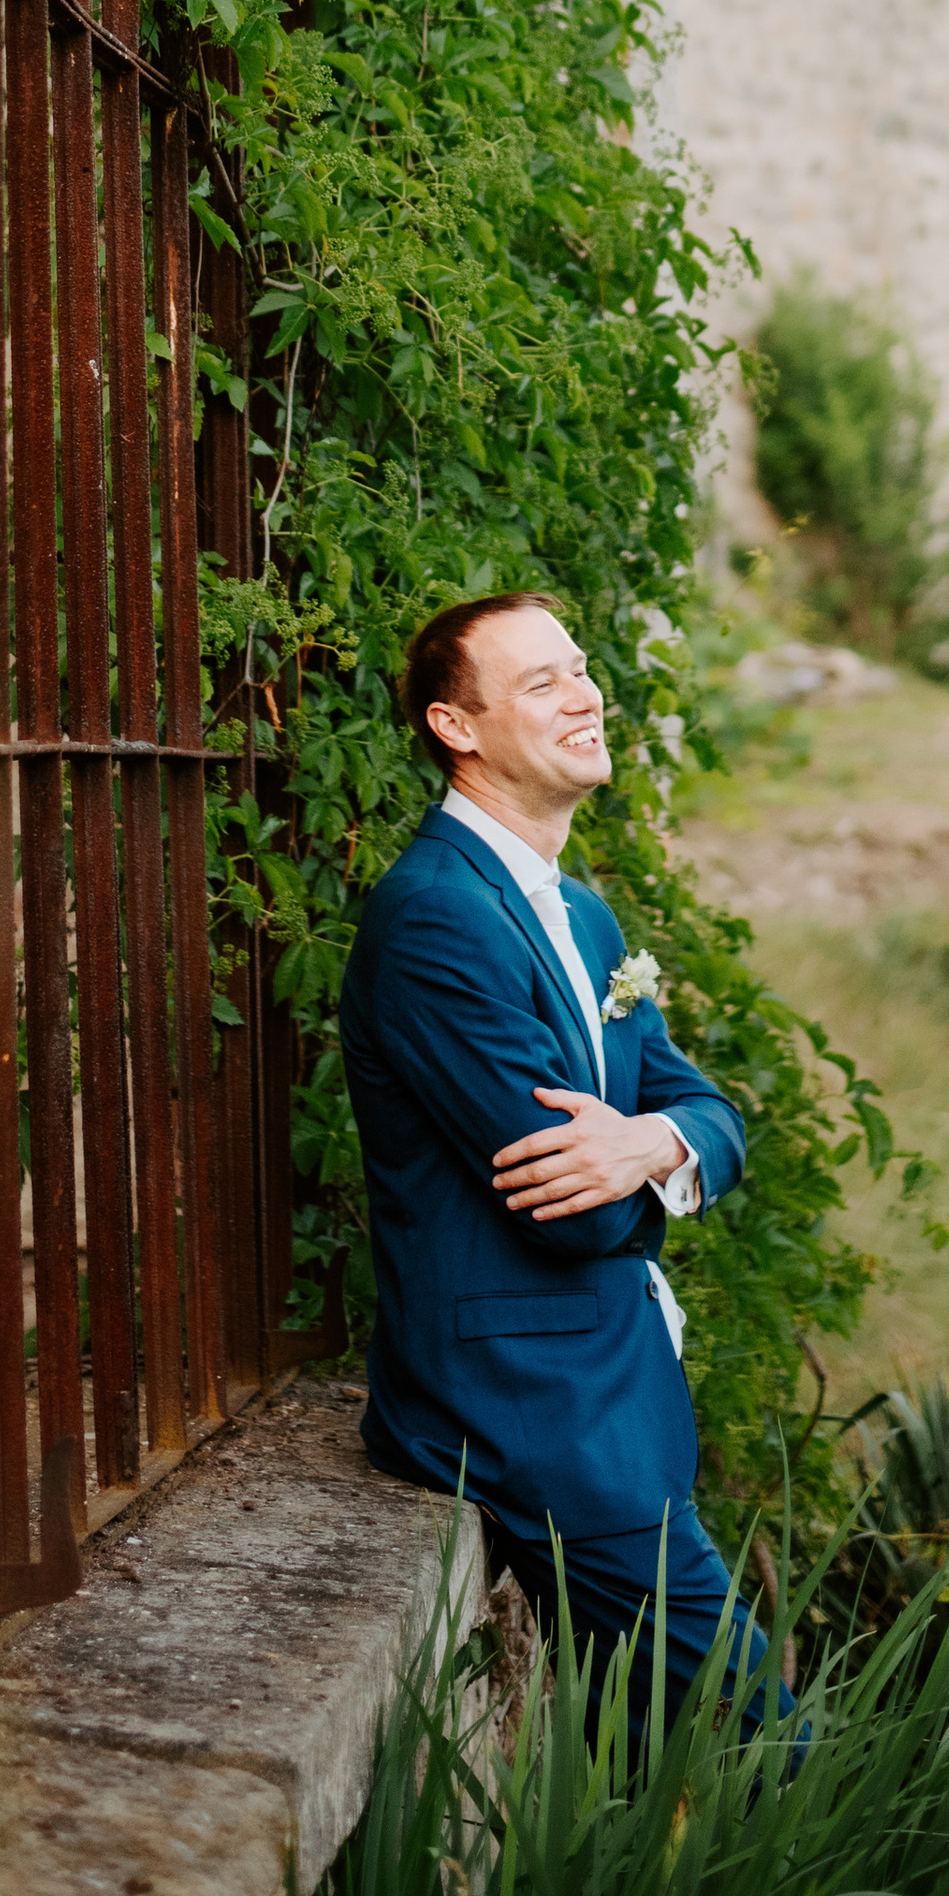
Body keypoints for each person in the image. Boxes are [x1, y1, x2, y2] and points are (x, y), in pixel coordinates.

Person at [339, 589, 770, 1728]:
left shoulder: (581, 917)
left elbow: (702, 1109)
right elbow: (569, 1214)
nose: (583, 695)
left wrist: (655, 1141)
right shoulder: (438, 916)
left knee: (649, 1757)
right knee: (760, 1727)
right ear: (458, 728)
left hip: (609, 1385)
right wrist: (651, 1168)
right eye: (540, 682)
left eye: (578, 670)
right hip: (528, 1408)